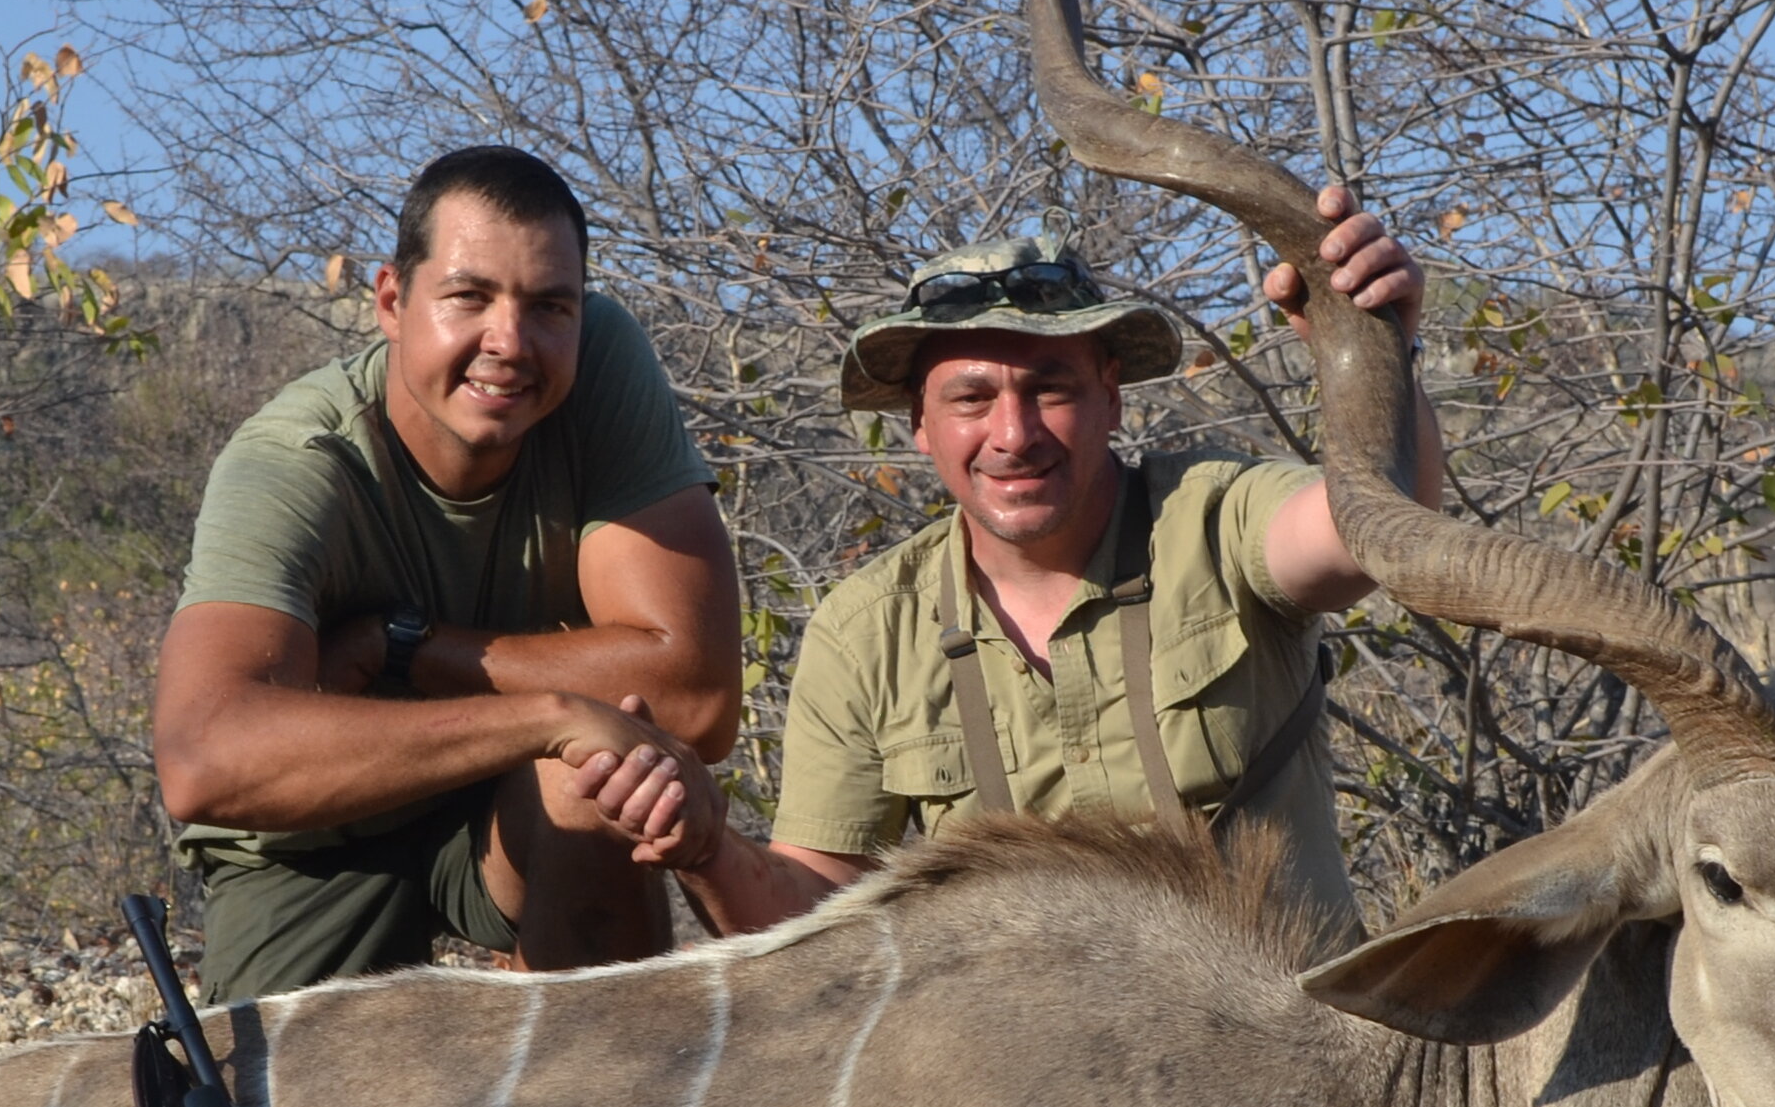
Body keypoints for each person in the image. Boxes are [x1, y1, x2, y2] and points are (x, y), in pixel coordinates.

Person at [578, 188, 1431, 951]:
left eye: (1050, 388)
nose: (1014, 434)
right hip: (1039, 1090)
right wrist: (708, 849)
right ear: (919, 422)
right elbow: (818, 919)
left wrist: (1376, 344)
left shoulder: (1214, 518)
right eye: (972, 398)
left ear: (1111, 397)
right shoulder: (870, 626)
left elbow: (1375, 527)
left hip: (1286, 1059)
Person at [153, 145, 740, 1003]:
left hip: (503, 815)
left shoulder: (601, 362)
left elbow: (699, 698)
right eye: (469, 297)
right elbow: (204, 758)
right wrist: (546, 714)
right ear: (393, 301)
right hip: (318, 839)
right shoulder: (294, 461)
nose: (509, 341)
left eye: (549, 306)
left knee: (594, 780)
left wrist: (408, 653)